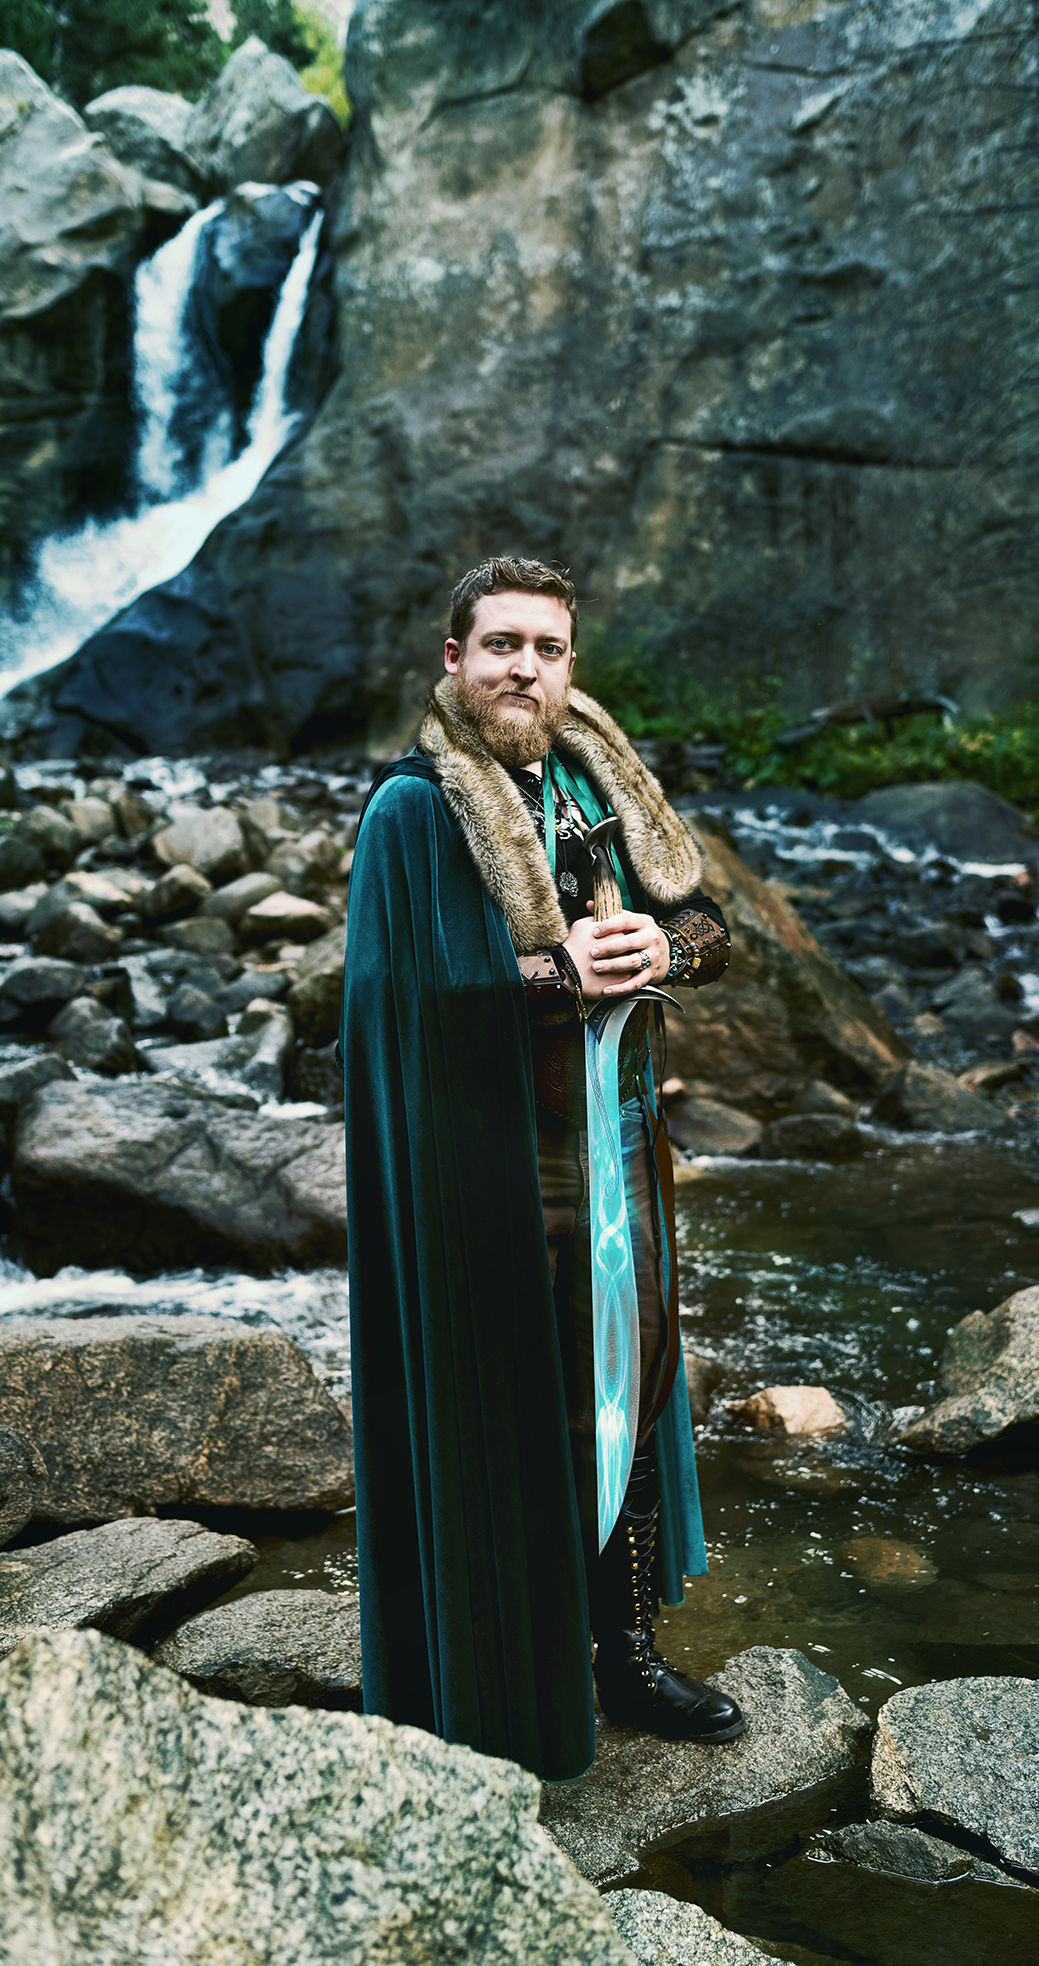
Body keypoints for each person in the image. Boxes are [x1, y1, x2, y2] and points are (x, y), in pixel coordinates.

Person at [341, 555, 741, 1783]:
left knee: (623, 1386)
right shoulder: (412, 810)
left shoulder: (590, 779)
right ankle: (501, 1669)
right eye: (500, 643)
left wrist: (654, 945)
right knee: (512, 1400)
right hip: (492, 1158)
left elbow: (710, 931)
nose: (524, 665)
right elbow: (389, 1001)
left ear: (571, 668)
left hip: (618, 1137)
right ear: (453, 662)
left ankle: (623, 1649)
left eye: (548, 647)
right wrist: (559, 971)